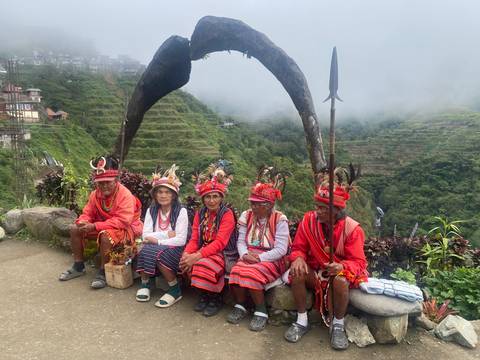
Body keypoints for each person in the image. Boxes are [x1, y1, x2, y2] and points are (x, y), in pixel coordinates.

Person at [284, 169, 368, 350]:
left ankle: (337, 324)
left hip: (336, 275)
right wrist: (297, 258)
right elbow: (298, 248)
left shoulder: (353, 230)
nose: (317, 211)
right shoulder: (308, 221)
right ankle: (301, 320)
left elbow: (359, 262)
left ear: (336, 209)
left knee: (340, 280)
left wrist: (341, 266)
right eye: (317, 206)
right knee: (296, 271)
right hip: (315, 272)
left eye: (323, 208)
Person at [59, 155, 143, 289]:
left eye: (108, 182)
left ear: (116, 180)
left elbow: (123, 221)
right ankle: (79, 266)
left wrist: (95, 226)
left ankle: (103, 271)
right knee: (75, 229)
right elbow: (88, 212)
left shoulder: (125, 195)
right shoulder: (94, 194)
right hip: (103, 226)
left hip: (125, 229)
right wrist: (83, 222)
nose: (104, 186)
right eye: (100, 183)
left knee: (105, 235)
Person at [227, 168, 290, 331]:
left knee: (253, 273)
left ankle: (261, 311)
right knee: (236, 271)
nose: (253, 206)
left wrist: (260, 259)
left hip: (272, 258)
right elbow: (241, 241)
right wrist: (245, 254)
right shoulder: (246, 216)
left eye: (257, 204)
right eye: (252, 203)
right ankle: (241, 305)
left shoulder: (279, 220)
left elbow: (282, 249)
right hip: (248, 254)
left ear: (269, 205)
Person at [180, 162, 237, 317]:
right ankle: (204, 294)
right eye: (208, 197)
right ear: (203, 199)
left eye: (215, 196)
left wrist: (196, 256)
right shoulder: (200, 213)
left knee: (203, 264)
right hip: (204, 248)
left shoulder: (227, 214)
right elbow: (195, 238)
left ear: (221, 197)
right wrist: (187, 254)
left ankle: (215, 297)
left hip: (223, 252)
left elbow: (220, 243)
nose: (212, 201)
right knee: (185, 261)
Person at [135, 165, 189, 307]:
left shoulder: (180, 212)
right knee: (143, 248)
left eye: (167, 192)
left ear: (173, 195)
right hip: (155, 244)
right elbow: (145, 235)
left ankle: (174, 289)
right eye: (160, 192)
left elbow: (180, 239)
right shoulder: (151, 211)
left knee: (156, 252)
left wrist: (157, 241)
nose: (163, 195)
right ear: (155, 194)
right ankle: (146, 283)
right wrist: (166, 234)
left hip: (175, 248)